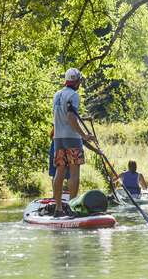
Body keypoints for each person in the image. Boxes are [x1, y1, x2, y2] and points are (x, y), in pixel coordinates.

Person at [52, 68, 96, 217]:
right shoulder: (74, 95)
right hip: (72, 138)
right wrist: (84, 135)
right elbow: (71, 116)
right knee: (74, 172)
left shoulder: (57, 95)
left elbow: (64, 116)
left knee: (60, 171)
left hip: (58, 139)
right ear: (77, 81)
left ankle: (58, 208)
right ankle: (72, 207)